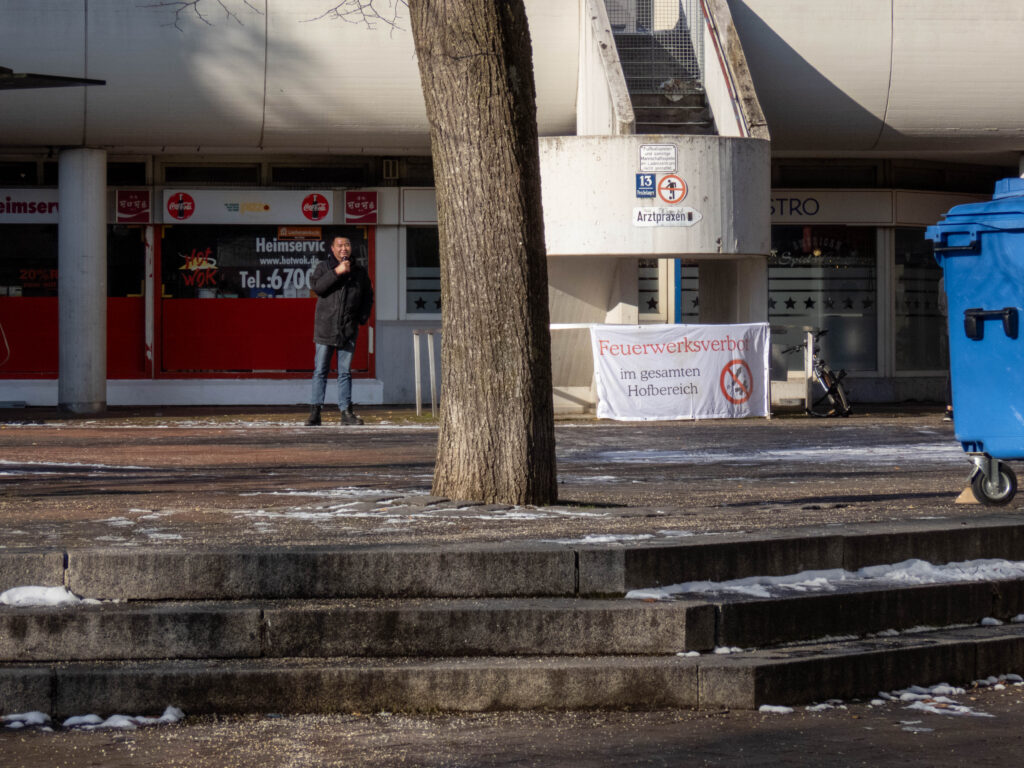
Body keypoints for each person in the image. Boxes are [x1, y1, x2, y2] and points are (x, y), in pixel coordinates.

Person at [305, 236, 374, 426]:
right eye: (340, 245)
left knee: (345, 372)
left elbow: (368, 296)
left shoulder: (359, 271)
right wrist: (337, 271)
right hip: (325, 327)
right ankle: (315, 412)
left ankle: (346, 412)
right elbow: (318, 288)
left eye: (347, 245)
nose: (344, 248)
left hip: (348, 329)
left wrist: (361, 318)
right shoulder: (323, 267)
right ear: (333, 248)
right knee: (320, 371)